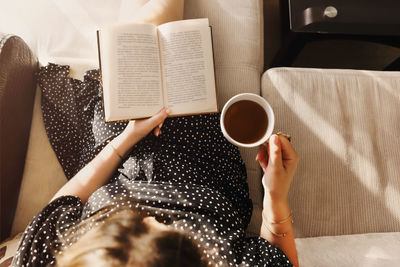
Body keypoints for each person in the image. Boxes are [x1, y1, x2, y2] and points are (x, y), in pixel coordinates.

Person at [12, 65, 299, 267]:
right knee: (171, 53)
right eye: (154, 228)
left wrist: (127, 138)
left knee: (133, 58)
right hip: (204, 168)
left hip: (117, 162)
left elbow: (62, 204)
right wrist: (275, 197)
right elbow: (278, 260)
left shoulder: (47, 258)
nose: (150, 216)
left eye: (126, 225)